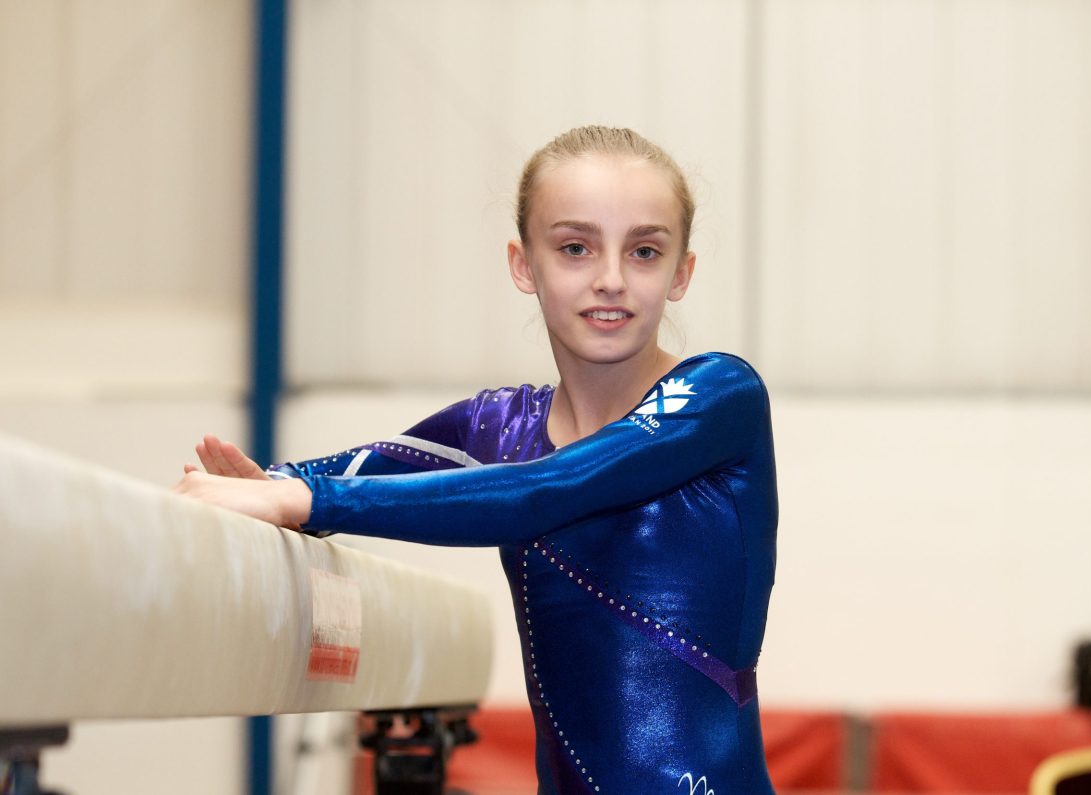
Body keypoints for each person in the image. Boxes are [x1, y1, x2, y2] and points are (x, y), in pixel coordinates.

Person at [176, 126, 779, 794]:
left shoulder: (722, 394)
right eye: (575, 247)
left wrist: (305, 502)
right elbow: (335, 475)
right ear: (525, 264)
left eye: (643, 251)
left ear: (681, 272)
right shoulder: (499, 426)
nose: (610, 279)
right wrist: (267, 488)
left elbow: (550, 487)